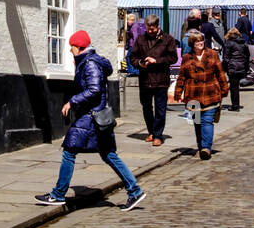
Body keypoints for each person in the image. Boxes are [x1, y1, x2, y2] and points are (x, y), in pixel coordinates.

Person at [35, 31, 145, 211]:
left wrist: (72, 101)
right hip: (97, 116)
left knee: (69, 151)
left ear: (78, 46)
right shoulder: (88, 62)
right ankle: (134, 191)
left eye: (71, 46)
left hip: (91, 116)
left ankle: (57, 195)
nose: (70, 50)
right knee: (109, 154)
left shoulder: (90, 64)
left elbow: (94, 90)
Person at [173, 31, 230, 160]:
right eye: (197, 41)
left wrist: (224, 88)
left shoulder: (212, 54)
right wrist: (178, 92)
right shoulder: (187, 57)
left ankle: (206, 148)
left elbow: (220, 73)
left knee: (207, 121)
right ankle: (201, 147)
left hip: (210, 92)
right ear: (192, 44)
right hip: (193, 94)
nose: (200, 43)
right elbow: (182, 76)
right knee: (197, 122)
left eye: (202, 40)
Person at [131, 14, 179, 146]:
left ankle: (158, 135)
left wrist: (156, 61)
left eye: (153, 29)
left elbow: (173, 58)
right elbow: (132, 57)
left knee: (160, 109)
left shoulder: (168, 39)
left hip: (161, 79)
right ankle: (151, 131)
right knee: (146, 107)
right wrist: (140, 63)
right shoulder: (140, 39)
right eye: (148, 29)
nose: (150, 31)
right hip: (145, 79)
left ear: (158, 26)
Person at [221, 27, 250, 111]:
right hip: (242, 66)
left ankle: (235, 106)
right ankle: (236, 105)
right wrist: (246, 67)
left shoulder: (229, 43)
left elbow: (226, 57)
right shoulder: (244, 43)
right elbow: (247, 56)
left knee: (234, 87)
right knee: (236, 87)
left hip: (233, 67)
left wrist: (224, 68)